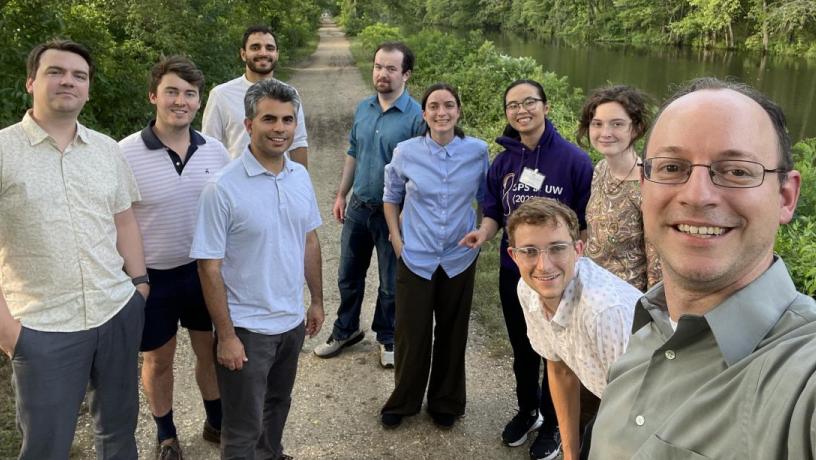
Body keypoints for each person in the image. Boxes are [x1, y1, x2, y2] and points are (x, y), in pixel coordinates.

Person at [589, 78, 813, 459]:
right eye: (673, 167)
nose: (696, 195)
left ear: (786, 197)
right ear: (644, 187)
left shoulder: (801, 376)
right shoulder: (647, 330)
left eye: (737, 171)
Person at [0, 39, 146, 459]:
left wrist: (140, 286)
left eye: (79, 75)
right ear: (31, 82)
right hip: (42, 328)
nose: (69, 81)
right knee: (47, 446)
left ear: (88, 89)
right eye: (55, 72)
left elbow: (124, 220)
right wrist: (9, 330)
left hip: (116, 310)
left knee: (118, 432)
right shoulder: (5, 152)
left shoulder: (106, 150)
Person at [461, 79, 593, 460]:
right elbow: (493, 213)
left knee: (558, 353)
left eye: (529, 102)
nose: (522, 110)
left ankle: (555, 423)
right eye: (513, 105)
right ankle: (528, 410)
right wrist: (482, 234)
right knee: (524, 348)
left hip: (558, 277)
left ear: (546, 107)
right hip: (514, 271)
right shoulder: (502, 163)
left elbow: (584, 224)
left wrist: (576, 264)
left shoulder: (574, 161)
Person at [191, 78, 324, 460]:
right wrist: (227, 336)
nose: (279, 128)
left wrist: (315, 301)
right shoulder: (223, 188)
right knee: (242, 427)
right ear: (249, 125)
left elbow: (309, 240)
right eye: (269, 119)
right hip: (248, 329)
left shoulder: (299, 176)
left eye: (287, 120)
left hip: (290, 321)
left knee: (277, 406)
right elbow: (209, 268)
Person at [120, 55, 230, 459]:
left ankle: (216, 422)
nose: (180, 101)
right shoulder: (125, 154)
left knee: (211, 351)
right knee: (158, 359)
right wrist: (135, 279)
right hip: (154, 277)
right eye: (171, 92)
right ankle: (166, 434)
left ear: (199, 102)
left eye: (189, 94)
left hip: (204, 273)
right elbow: (117, 221)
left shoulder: (216, 151)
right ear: (153, 96)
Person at [379, 83, 489, 429]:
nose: (442, 113)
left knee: (453, 332)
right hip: (416, 256)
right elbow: (391, 196)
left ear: (458, 111)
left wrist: (484, 231)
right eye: (434, 106)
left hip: (459, 257)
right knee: (412, 333)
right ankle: (404, 400)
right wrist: (396, 240)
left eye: (449, 106)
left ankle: (446, 401)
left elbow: (488, 198)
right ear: (424, 113)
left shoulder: (477, 151)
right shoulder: (406, 152)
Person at [314, 41, 424, 368]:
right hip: (359, 208)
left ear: (405, 74)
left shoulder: (417, 117)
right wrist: (340, 194)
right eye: (378, 66)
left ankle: (387, 338)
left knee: (391, 282)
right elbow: (353, 151)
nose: (382, 74)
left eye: (391, 68)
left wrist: (405, 217)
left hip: (393, 215)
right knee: (348, 275)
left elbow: (420, 172)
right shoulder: (364, 108)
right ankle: (345, 330)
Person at [506, 197, 641, 460]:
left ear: (578, 249)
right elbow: (560, 368)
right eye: (530, 251)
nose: (544, 266)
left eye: (557, 248)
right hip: (610, 395)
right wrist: (570, 455)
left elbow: (639, 409)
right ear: (513, 256)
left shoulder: (604, 311)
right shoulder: (528, 290)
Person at [576, 85, 661, 291]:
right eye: (597, 124)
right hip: (592, 289)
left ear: (636, 128)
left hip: (627, 300)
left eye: (617, 124)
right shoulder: (601, 169)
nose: (605, 133)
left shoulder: (647, 186)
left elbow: (657, 264)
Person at [202, 25, 308, 166]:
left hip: (280, 182)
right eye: (255, 47)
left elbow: (298, 142)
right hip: (236, 184)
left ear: (277, 54)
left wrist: (302, 184)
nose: (263, 53)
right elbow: (209, 147)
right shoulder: (221, 95)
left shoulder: (290, 93)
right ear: (243, 54)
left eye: (270, 48)